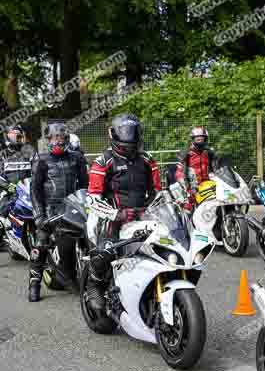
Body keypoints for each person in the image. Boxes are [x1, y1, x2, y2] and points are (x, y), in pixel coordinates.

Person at [83, 114, 161, 312]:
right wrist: (116, 215)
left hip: (142, 215)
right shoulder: (104, 161)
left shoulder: (147, 160)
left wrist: (158, 207)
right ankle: (94, 283)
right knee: (106, 250)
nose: (129, 139)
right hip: (111, 217)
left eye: (132, 133)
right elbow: (92, 198)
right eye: (124, 133)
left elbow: (157, 192)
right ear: (114, 135)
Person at [27, 123, 89, 302]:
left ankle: (79, 276)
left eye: (62, 138)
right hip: (49, 209)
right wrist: (39, 214)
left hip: (73, 207)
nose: (59, 142)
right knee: (40, 243)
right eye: (56, 138)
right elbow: (35, 189)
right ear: (49, 139)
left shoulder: (76, 158)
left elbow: (85, 185)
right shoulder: (41, 159)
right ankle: (34, 283)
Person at [0, 125, 35, 270]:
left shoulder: (28, 152)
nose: (18, 138)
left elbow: (38, 169)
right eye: (15, 135)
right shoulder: (0, 154)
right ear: (7, 136)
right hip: (7, 193)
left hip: (27, 191)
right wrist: (7, 186)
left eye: (19, 135)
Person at [174, 126, 220, 210]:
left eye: (202, 138)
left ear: (205, 139)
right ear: (193, 139)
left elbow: (217, 169)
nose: (200, 140)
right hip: (192, 188)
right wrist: (186, 186)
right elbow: (179, 172)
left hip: (208, 186)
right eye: (197, 138)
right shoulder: (186, 153)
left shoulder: (209, 153)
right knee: (188, 209)